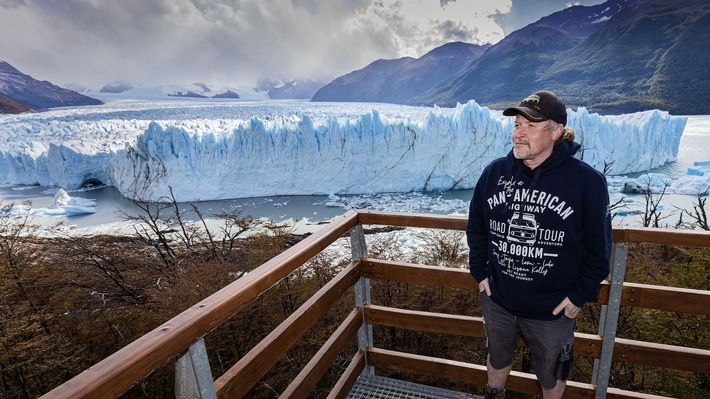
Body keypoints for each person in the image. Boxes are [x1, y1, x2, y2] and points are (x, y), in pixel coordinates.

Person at [466, 90, 612, 399]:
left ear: (557, 131)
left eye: (530, 126)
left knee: (552, 372)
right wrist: (479, 271)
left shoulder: (586, 182)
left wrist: (578, 296)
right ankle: (494, 394)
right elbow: (476, 228)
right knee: (497, 355)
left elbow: (599, 253)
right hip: (499, 300)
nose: (518, 133)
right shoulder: (494, 173)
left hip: (552, 309)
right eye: (517, 124)